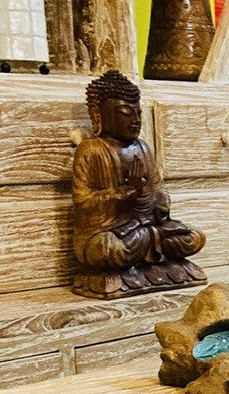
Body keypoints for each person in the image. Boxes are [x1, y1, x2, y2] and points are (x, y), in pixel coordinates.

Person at [71, 69, 206, 298]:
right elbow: (84, 203)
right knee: (108, 249)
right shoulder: (91, 150)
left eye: (138, 113)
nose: (135, 120)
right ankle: (139, 265)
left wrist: (154, 200)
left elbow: (159, 190)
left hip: (146, 228)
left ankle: (149, 260)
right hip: (111, 232)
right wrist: (126, 193)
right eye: (125, 113)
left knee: (194, 237)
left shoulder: (142, 148)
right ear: (98, 114)